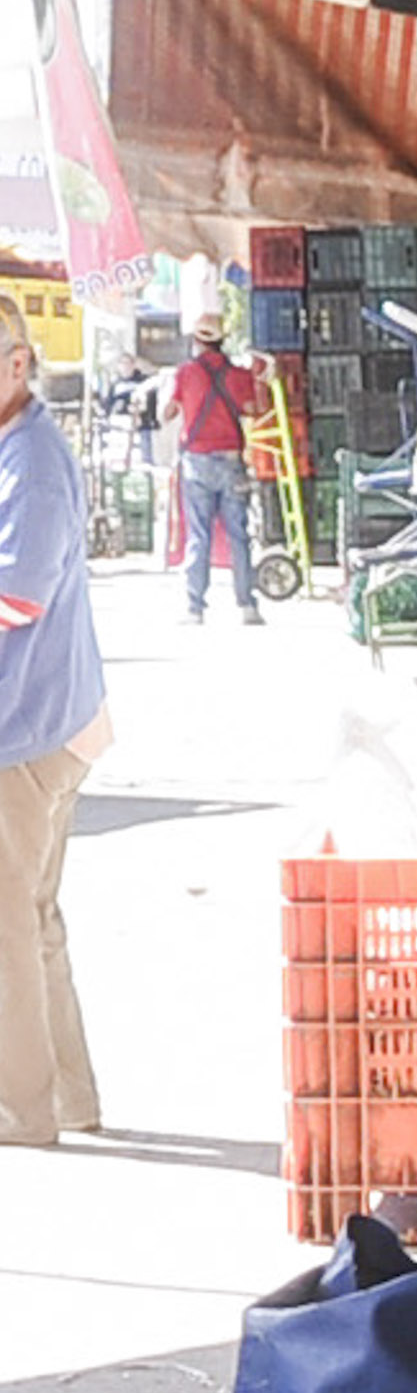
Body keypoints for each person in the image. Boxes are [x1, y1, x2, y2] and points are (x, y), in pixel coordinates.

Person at [0, 323, 113, 1148]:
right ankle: (70, 1097)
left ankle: (20, 1111)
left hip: (24, 730)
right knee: (33, 922)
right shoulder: (20, 447)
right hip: (55, 720)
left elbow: (17, 598)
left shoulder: (31, 467)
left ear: (17, 362)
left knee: (9, 929)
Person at [161, 316, 269, 631]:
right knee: (239, 534)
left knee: (199, 534)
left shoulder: (185, 373)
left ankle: (195, 607)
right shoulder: (239, 375)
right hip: (232, 460)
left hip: (196, 462)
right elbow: (254, 409)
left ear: (197, 341)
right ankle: (247, 605)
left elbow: (166, 413)